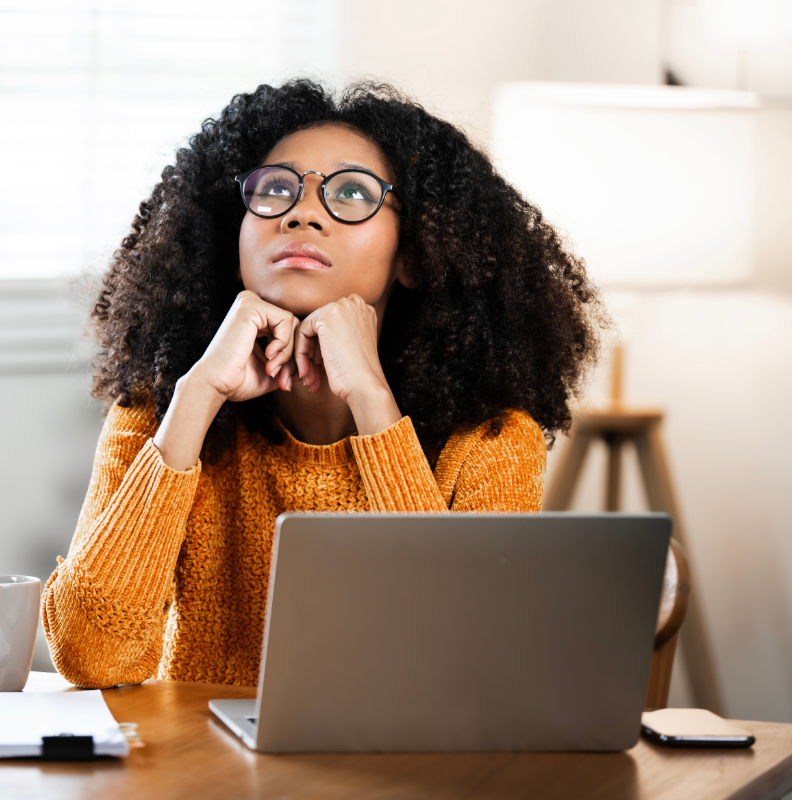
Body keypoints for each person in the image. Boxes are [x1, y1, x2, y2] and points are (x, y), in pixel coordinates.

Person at [43, 79, 604, 689]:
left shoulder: (491, 441)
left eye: (353, 193)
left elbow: (464, 667)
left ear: (416, 253)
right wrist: (197, 395)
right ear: (234, 244)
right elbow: (90, 655)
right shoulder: (163, 414)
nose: (301, 211)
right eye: (276, 189)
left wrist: (372, 401)